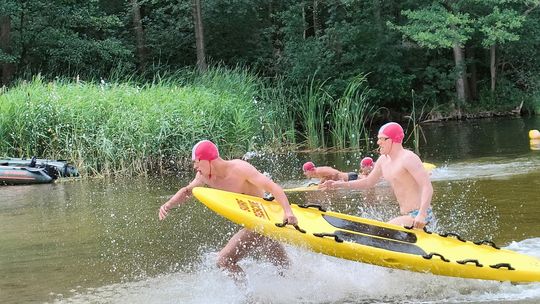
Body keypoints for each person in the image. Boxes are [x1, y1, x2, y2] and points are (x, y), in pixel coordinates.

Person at [159, 140, 298, 281]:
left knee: (224, 260)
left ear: (208, 159)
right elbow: (188, 191)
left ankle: (250, 298)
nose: (195, 166)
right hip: (255, 223)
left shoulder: (240, 169)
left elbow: (273, 188)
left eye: (197, 161)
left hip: (261, 221)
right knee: (284, 268)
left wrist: (288, 212)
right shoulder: (204, 176)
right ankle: (298, 287)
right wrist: (168, 205)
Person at [320, 122, 434, 229]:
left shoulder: (408, 158)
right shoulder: (382, 161)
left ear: (392, 140)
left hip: (419, 216)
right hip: (407, 217)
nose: (378, 142)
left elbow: (427, 186)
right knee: (381, 230)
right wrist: (339, 184)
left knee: (381, 230)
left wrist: (422, 214)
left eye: (381, 139)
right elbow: (367, 182)